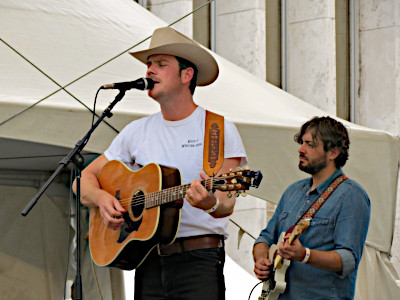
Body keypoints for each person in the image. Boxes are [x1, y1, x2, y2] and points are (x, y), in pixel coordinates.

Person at [74, 27, 247, 300]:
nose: (150, 71)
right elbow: (81, 180)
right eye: (149, 64)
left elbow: (226, 203)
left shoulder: (218, 129)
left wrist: (210, 203)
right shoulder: (136, 131)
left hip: (199, 260)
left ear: (186, 75)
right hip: (147, 257)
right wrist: (102, 199)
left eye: (161, 64)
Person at [253, 116, 370, 299]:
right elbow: (264, 238)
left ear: (333, 153)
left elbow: (348, 260)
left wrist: (305, 255)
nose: (301, 149)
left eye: (310, 144)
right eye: (301, 142)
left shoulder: (351, 195)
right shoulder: (293, 191)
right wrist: (261, 259)